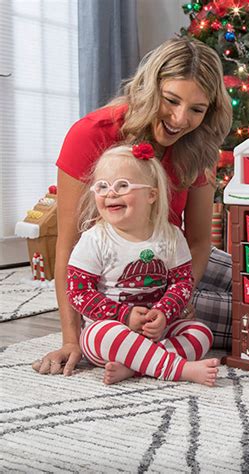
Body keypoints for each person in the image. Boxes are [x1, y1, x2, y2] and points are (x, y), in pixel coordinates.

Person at [32, 37, 233, 377]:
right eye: (171, 100)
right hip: (117, 273)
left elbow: (199, 241)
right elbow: (68, 244)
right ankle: (160, 361)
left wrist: (179, 298)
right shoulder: (91, 134)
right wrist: (70, 339)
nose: (180, 118)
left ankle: (139, 360)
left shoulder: (199, 146)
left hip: (175, 256)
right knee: (248, 316)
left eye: (197, 110)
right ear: (149, 88)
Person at [62, 144, 219, 385]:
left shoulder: (171, 236)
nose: (110, 193)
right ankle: (178, 369)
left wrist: (164, 313)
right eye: (102, 186)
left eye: (122, 186)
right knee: (101, 336)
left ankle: (135, 367)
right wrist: (123, 316)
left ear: (151, 195)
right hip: (112, 329)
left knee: (201, 333)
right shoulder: (94, 239)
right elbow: (78, 292)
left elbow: (182, 283)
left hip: (157, 330)